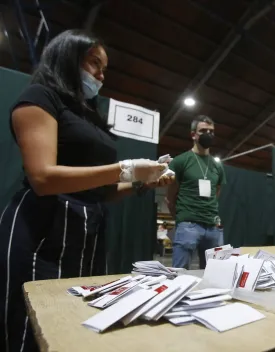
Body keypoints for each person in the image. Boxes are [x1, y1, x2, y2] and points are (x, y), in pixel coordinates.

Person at [0, 30, 174, 352]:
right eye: (94, 63)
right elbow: (42, 177)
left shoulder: (89, 115)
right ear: (68, 56)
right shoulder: (39, 98)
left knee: (78, 322)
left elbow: (101, 191)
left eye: (104, 68)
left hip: (87, 233)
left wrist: (140, 182)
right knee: (32, 328)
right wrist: (127, 169)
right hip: (43, 229)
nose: (101, 75)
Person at [166, 115, 226, 269]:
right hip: (188, 225)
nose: (208, 134)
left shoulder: (217, 166)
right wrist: (181, 217)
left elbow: (216, 193)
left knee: (213, 275)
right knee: (179, 274)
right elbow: (170, 196)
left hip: (212, 227)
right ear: (193, 134)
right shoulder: (180, 161)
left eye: (211, 131)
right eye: (203, 130)